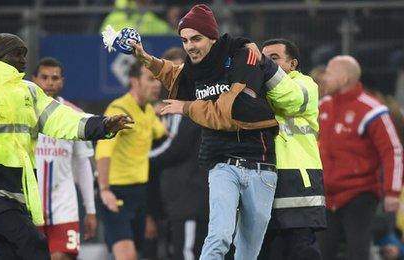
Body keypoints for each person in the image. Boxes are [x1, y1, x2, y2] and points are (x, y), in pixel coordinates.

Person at [0, 33, 133, 260]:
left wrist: (103, 125)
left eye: (25, 54)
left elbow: (62, 119)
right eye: (18, 53)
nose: (24, 60)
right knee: (33, 244)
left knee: (8, 252)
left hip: (17, 185)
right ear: (0, 55)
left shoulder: (28, 91)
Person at [131, 4, 307, 259]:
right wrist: (144, 57)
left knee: (249, 251)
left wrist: (187, 107)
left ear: (212, 37)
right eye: (184, 40)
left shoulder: (242, 56)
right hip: (223, 165)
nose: (190, 46)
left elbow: (230, 113)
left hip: (261, 166)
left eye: (196, 38)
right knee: (219, 236)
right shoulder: (196, 68)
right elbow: (174, 74)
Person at [317, 55, 403, 260]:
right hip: (326, 195)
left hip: (359, 194)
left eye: (329, 72)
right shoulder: (324, 106)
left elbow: (393, 150)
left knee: (358, 252)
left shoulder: (373, 110)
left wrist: (392, 191)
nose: (324, 77)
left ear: (344, 78)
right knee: (321, 253)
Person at [256, 39, 326, 260]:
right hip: (263, 176)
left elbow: (289, 98)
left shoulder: (307, 85)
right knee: (264, 250)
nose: (266, 62)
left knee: (300, 250)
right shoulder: (257, 87)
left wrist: (264, 68)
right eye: (263, 57)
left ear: (293, 64)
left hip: (298, 178)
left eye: (273, 58)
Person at [95, 61, 166, 260]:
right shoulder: (118, 110)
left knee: (137, 252)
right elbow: (103, 150)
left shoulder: (149, 111)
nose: (157, 85)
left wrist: (167, 111)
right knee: (127, 256)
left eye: (157, 79)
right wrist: (104, 189)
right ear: (134, 82)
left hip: (140, 193)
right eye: (150, 79)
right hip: (116, 193)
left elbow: (162, 133)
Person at [31, 57, 98, 260]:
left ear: (62, 82)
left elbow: (83, 164)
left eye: (54, 78)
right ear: (33, 79)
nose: (49, 82)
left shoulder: (74, 115)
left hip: (64, 206)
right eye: (44, 77)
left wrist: (91, 209)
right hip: (30, 207)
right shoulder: (22, 114)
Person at [147, 47, 204, 260]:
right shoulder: (155, 109)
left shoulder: (186, 104)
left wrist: (138, 160)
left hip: (189, 196)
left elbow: (175, 147)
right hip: (169, 197)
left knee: (188, 252)